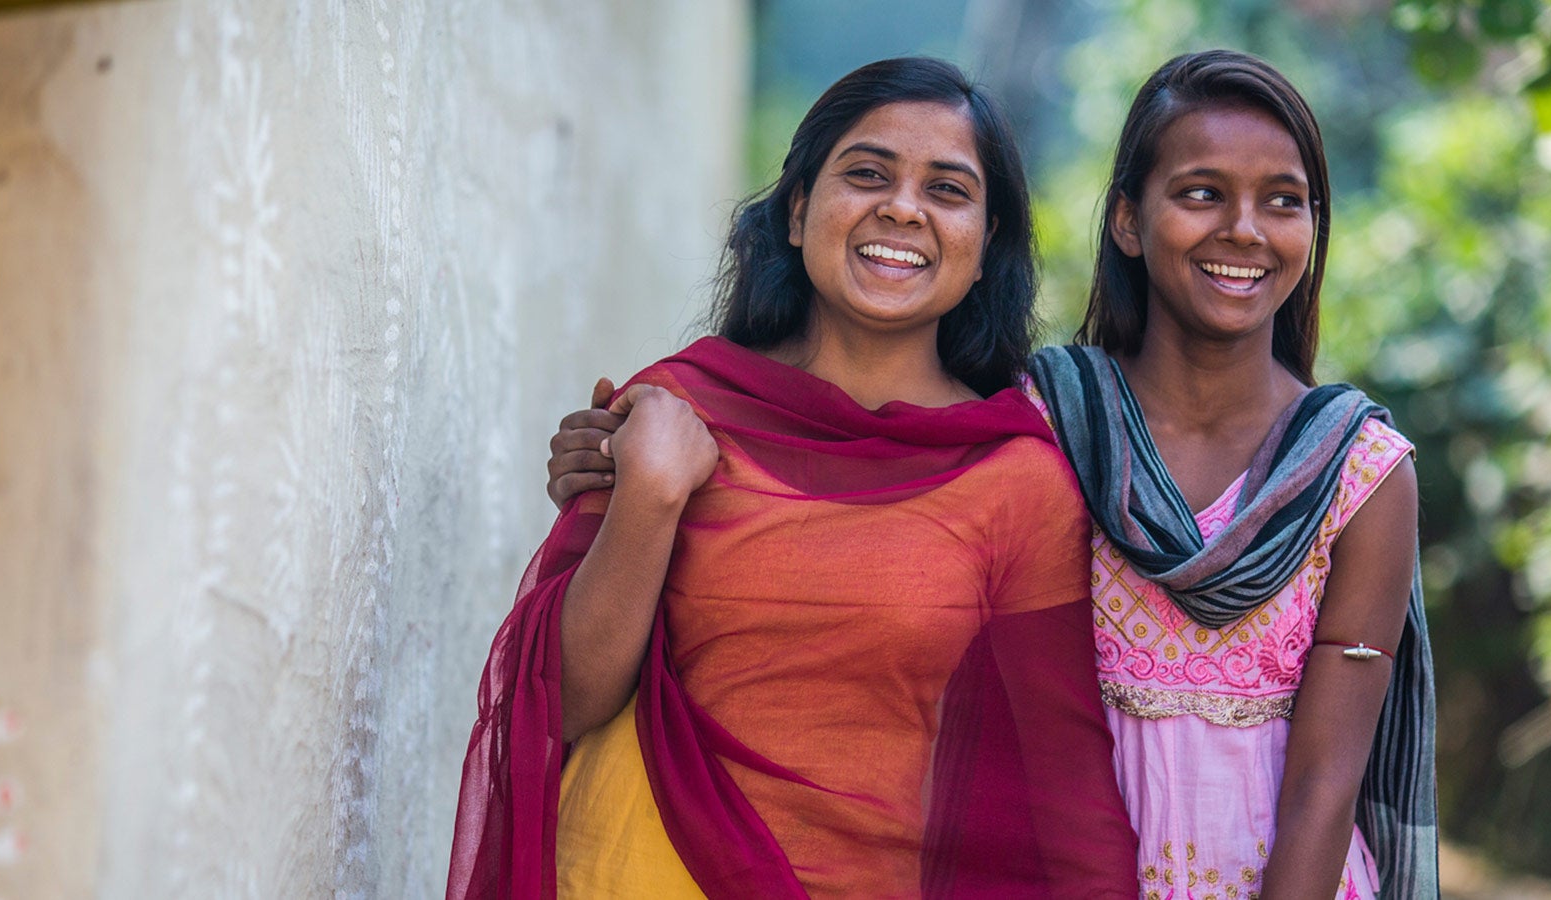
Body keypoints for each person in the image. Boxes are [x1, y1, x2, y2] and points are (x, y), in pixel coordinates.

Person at [546, 50, 1438, 900]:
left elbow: (1324, 780)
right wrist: (631, 485)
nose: (1242, 229)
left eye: (1283, 201)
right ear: (1126, 218)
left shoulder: (1345, 469)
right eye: (1201, 193)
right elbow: (573, 686)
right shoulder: (1047, 421)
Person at [449, 57, 1138, 900]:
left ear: (985, 243)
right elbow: (561, 700)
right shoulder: (678, 409)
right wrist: (652, 497)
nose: (903, 207)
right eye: (868, 173)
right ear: (799, 209)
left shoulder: (1013, 476)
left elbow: (1064, 781)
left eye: (948, 190)